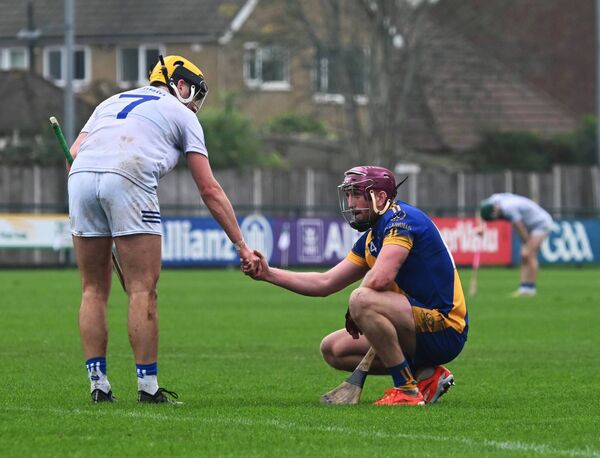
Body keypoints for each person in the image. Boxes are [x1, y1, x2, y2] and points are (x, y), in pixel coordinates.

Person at [68, 55, 258, 403]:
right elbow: (209, 190)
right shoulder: (182, 113)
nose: (197, 104)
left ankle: (98, 385)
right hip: (128, 173)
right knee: (142, 289)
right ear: (180, 85)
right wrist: (241, 244)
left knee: (92, 290)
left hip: (80, 177)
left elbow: (75, 152)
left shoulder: (109, 102)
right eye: (196, 94)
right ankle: (148, 388)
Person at [245, 166, 468, 405]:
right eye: (348, 195)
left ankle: (406, 391)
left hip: (444, 327)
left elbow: (381, 277)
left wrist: (358, 306)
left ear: (380, 197)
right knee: (334, 349)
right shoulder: (372, 238)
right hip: (412, 326)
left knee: (362, 299)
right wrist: (269, 274)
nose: (350, 203)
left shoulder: (402, 219)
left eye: (356, 194)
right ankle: (426, 375)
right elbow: (325, 282)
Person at [479, 193, 553, 297]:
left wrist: (526, 244)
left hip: (541, 224)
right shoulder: (493, 200)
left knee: (529, 254)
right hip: (529, 224)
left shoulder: (509, 209)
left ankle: (531, 289)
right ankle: (524, 288)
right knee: (524, 255)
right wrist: (481, 227)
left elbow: (520, 227)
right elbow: (480, 211)